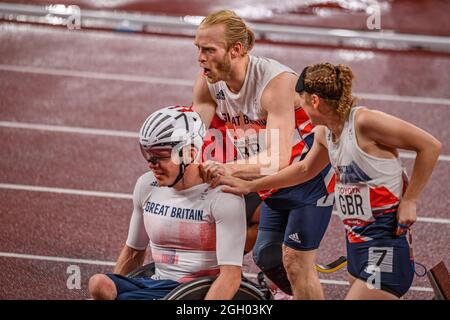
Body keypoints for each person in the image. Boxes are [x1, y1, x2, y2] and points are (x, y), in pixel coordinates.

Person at [217, 62, 442, 299]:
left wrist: (411, 200)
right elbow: (304, 169)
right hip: (356, 243)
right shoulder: (325, 134)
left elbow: (430, 146)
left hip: (383, 243)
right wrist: (251, 186)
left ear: (314, 100)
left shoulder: (364, 122)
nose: (299, 111)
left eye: (301, 103)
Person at [192, 9, 335, 299]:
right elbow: (192, 135)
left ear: (236, 50)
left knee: (296, 264)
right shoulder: (209, 81)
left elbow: (276, 160)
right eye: (198, 49)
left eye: (209, 50)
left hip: (308, 180)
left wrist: (224, 169)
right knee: (268, 256)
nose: (200, 58)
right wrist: (175, 160)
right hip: (272, 185)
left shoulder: (275, 83)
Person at [88, 106, 247, 300]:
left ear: (189, 153)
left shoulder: (223, 196)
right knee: (99, 284)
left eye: (160, 156)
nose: (151, 164)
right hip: (156, 284)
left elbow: (230, 277)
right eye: (147, 154)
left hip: (195, 291)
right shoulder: (146, 185)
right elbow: (133, 252)